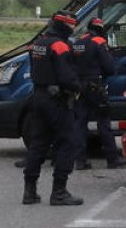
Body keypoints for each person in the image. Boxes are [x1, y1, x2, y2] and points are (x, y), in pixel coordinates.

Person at [22, 10, 83, 206]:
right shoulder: (60, 45)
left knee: (38, 143)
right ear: (65, 25)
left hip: (38, 97)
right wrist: (79, 87)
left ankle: (29, 192)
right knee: (69, 141)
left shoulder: (38, 43)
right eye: (72, 26)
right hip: (57, 100)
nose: (73, 29)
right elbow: (66, 76)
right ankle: (59, 192)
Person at [70, 17, 125, 170]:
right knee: (103, 122)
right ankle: (112, 159)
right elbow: (109, 68)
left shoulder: (78, 43)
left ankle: (80, 160)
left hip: (79, 87)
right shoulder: (99, 42)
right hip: (96, 86)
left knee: (80, 123)